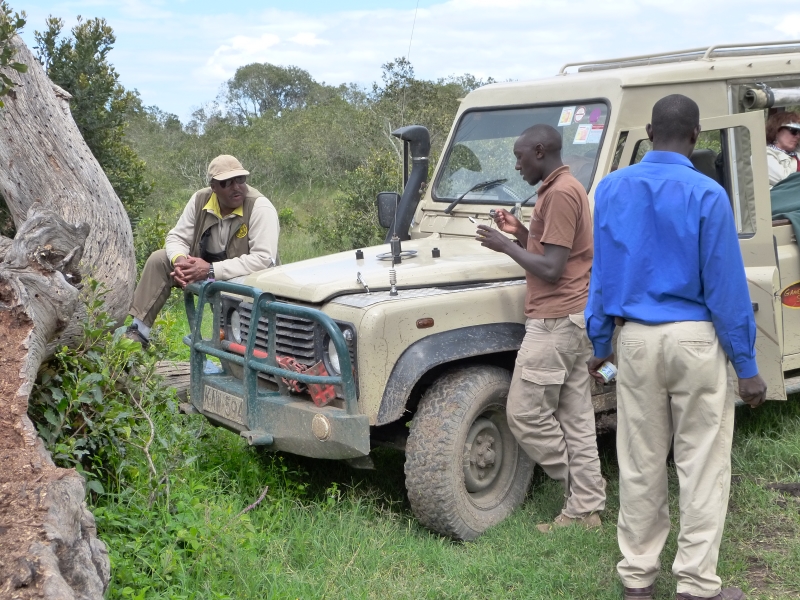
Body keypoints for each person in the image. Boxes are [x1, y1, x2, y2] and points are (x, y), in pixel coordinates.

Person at [586, 94, 767, 600]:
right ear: (695, 136)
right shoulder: (708, 193)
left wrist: (600, 341)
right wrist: (747, 365)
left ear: (648, 132)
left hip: (635, 340)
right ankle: (695, 584)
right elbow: (726, 288)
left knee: (639, 462)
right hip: (695, 339)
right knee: (702, 463)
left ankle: (637, 579)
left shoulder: (610, 189)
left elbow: (601, 276)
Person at [476, 124, 606, 533]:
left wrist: (505, 246)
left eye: (519, 157)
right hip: (569, 317)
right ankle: (586, 511)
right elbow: (556, 251)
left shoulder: (561, 193)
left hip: (554, 322)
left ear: (539, 150)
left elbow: (551, 269)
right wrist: (520, 233)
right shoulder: (560, 189)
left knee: (524, 414)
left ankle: (581, 496)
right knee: (576, 420)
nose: (516, 166)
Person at [126, 155, 279, 347]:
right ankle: (137, 334)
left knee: (235, 344)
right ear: (213, 186)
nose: (236, 187)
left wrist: (211, 270)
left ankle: (236, 349)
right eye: (227, 183)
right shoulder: (200, 199)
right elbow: (177, 237)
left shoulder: (260, 207)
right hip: (207, 274)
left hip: (245, 280)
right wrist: (180, 262)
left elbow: (264, 259)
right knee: (160, 259)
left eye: (240, 179)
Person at [766, 111, 800, 187]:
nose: (798, 136)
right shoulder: (763, 156)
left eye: (799, 132)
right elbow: (786, 181)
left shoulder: (797, 152)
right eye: (794, 131)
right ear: (776, 131)